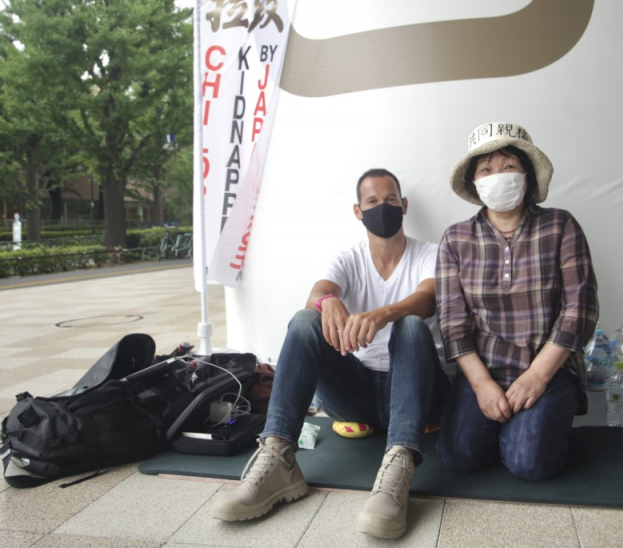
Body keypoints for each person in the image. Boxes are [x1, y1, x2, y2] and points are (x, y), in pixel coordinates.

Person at [211, 169, 449, 539]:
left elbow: (429, 299)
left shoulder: (430, 253)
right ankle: (277, 457)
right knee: (306, 319)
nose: (382, 208)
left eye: (390, 200)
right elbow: (317, 293)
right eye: (372, 202)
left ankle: (398, 465)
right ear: (358, 211)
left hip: (419, 393)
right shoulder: (348, 257)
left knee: (412, 324)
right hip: (356, 395)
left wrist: (385, 313)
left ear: (403, 206)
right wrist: (328, 302)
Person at [435, 122, 598, 480]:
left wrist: (537, 377)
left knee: (530, 463)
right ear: (475, 183)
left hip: (549, 367)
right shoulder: (455, 239)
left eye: (509, 166)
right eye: (487, 169)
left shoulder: (560, 226)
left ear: (526, 174)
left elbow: (579, 309)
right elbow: (452, 321)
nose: (498, 175)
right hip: (484, 368)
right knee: (457, 456)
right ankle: (511, 427)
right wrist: (481, 385)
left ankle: (532, 431)